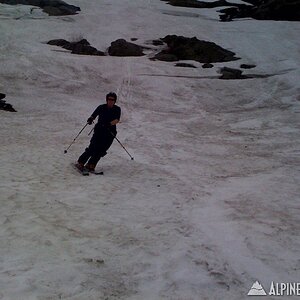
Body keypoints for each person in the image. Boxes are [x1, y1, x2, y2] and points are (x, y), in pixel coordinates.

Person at [76, 92, 121, 172]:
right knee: (93, 147)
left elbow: (117, 120)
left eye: (112, 100)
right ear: (106, 100)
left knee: (102, 150)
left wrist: (109, 124)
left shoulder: (117, 109)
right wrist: (90, 119)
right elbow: (94, 115)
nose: (111, 101)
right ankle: (81, 162)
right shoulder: (101, 107)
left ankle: (91, 165)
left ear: (115, 101)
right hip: (99, 131)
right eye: (109, 99)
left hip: (110, 133)